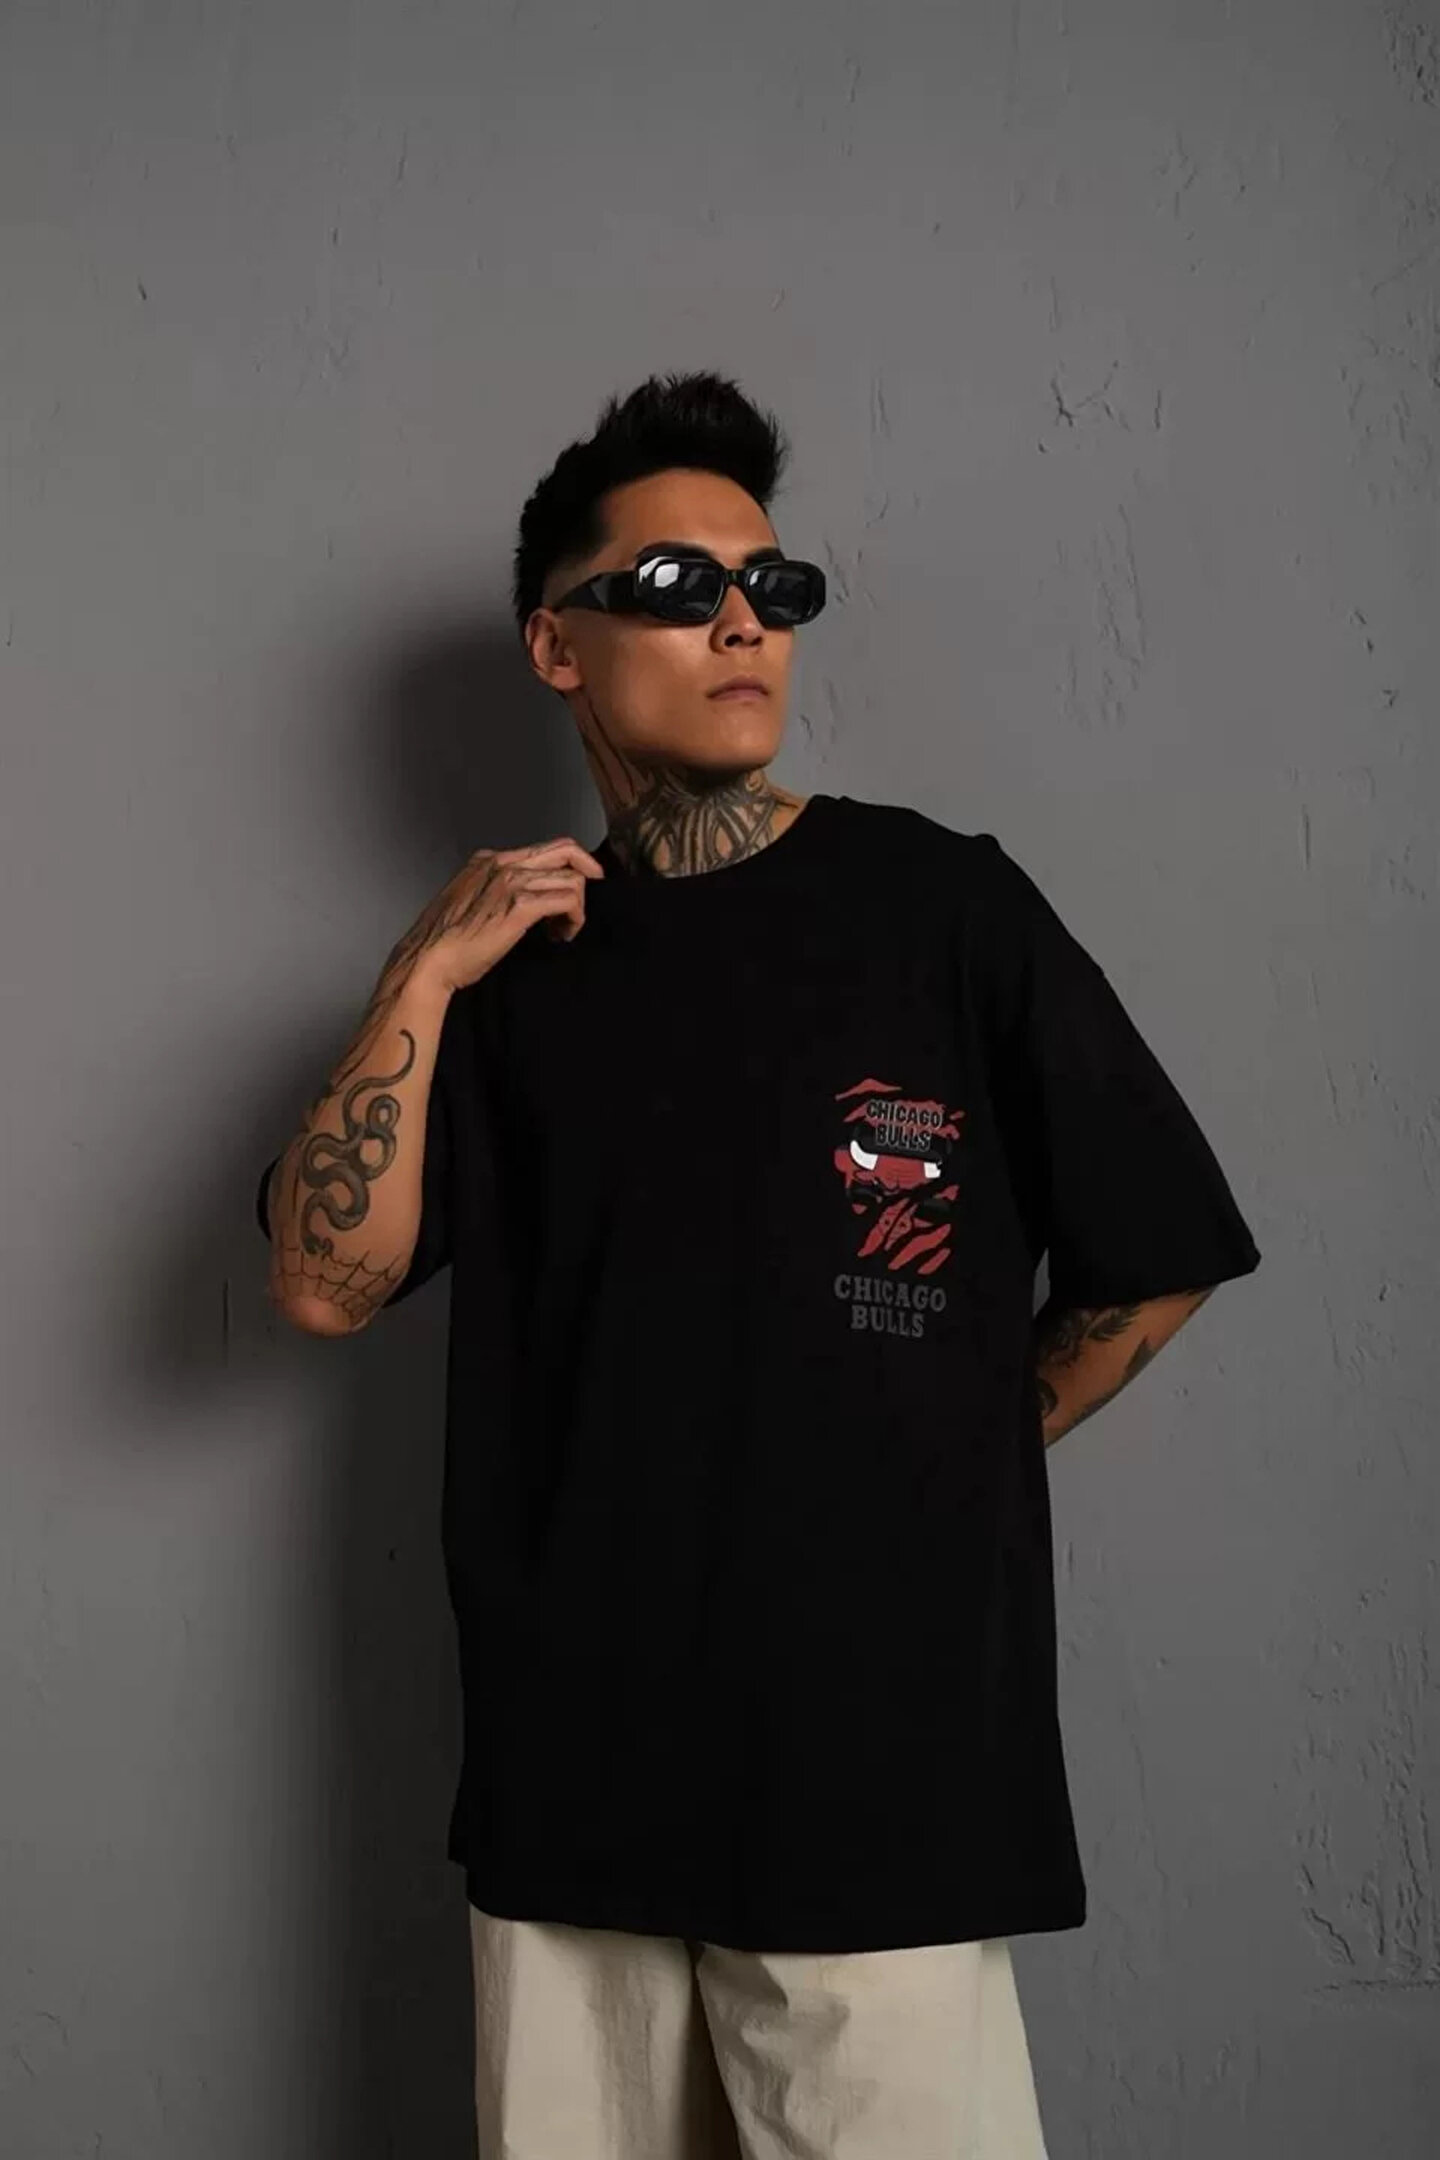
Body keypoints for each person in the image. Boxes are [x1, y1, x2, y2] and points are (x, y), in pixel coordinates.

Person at [256, 370, 1262, 2158]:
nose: (742, 622)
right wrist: (424, 973)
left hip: (879, 1779)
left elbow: (1155, 1253)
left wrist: (936, 1460)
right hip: (577, 1784)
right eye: (674, 584)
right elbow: (323, 1285)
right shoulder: (510, 976)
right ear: (556, 646)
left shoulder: (944, 909)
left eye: (774, 587)